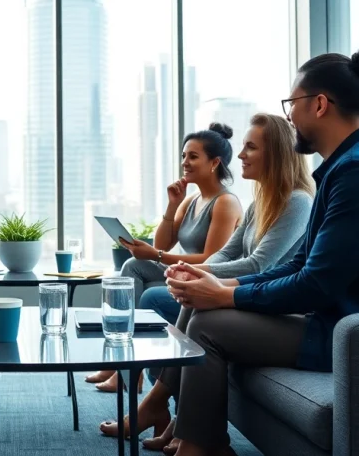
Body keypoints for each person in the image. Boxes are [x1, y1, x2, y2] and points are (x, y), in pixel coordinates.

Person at [159, 47, 359, 456]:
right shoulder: (346, 167)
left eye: (291, 103)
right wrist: (226, 283)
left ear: (320, 104)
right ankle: (196, 438)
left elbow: (315, 284)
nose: (289, 116)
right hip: (342, 317)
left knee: (209, 325)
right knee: (203, 304)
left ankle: (200, 446)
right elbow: (300, 262)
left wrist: (226, 294)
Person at [99, 112, 315, 448]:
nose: (239, 155)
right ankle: (166, 413)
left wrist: (196, 274)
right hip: (252, 293)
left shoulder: (298, 202)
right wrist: (196, 273)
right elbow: (226, 255)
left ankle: (159, 406)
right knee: (192, 295)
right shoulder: (261, 202)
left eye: (250, 148)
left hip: (276, 303)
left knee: (199, 307)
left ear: (276, 155)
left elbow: (259, 264)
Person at [86, 122, 243, 394]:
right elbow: (162, 242)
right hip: (183, 269)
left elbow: (212, 259)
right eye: (184, 156)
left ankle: (128, 370)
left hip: (207, 278)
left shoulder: (225, 202)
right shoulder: (191, 199)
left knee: (141, 274)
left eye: (193, 156)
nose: (185, 162)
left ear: (215, 162)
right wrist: (172, 204)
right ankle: (123, 363)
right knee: (133, 266)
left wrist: (157, 255)